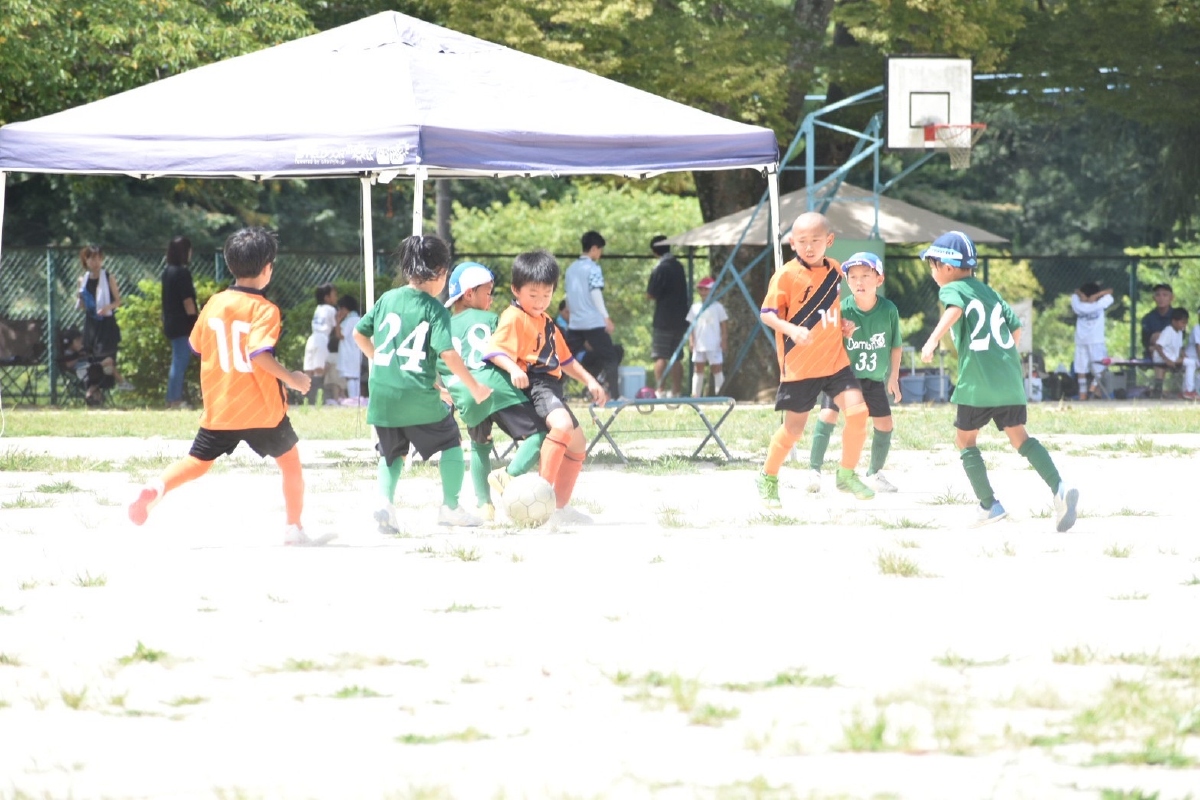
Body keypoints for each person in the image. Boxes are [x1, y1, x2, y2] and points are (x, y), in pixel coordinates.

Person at [127, 227, 323, 545]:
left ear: (231, 264)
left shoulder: (215, 303)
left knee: (196, 462)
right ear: (268, 268)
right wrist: (293, 379)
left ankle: (157, 488)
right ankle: (293, 528)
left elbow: (196, 345)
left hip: (222, 407)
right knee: (290, 463)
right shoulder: (266, 309)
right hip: (262, 411)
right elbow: (258, 353)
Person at [919, 230, 1078, 531]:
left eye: (932, 265)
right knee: (1020, 437)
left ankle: (988, 504)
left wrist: (932, 341)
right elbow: (1015, 329)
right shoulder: (990, 293)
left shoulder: (952, 289)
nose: (932, 273)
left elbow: (955, 309)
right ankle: (1059, 488)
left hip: (977, 383)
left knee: (965, 440)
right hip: (1009, 380)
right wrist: (1000, 358)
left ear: (948, 267)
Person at [353, 235, 493, 531]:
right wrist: (475, 387)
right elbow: (447, 354)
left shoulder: (387, 299)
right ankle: (450, 508)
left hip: (382, 395)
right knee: (451, 440)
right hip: (416, 396)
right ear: (441, 272)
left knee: (391, 452)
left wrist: (380, 360)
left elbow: (358, 333)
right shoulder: (435, 309)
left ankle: (384, 503)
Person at [756, 212, 876, 508]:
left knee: (859, 413)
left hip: (835, 362)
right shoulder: (786, 275)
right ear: (792, 243)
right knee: (793, 431)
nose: (809, 247)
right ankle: (768, 476)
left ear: (829, 241)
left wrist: (842, 324)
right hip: (801, 366)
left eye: (815, 240)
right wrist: (791, 330)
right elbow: (767, 315)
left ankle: (846, 474)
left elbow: (828, 310)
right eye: (802, 241)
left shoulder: (835, 270)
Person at [485, 249, 607, 526]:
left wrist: (590, 380)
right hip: (536, 383)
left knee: (578, 443)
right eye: (533, 294)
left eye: (547, 294)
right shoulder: (513, 316)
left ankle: (560, 508)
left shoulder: (547, 322)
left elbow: (565, 360)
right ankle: (540, 498)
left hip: (552, 386)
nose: (540, 301)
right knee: (561, 426)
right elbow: (494, 350)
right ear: (516, 290)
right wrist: (514, 368)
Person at [438, 261, 548, 521]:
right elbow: (507, 351)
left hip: (465, 394)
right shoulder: (491, 319)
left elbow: (439, 364)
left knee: (480, 446)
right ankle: (508, 475)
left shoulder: (443, 326)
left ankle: (484, 505)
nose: (491, 299)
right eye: (487, 292)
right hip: (496, 388)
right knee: (539, 434)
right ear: (469, 294)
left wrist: (442, 390)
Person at [806, 252, 903, 494]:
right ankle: (814, 470)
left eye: (866, 276)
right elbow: (821, 339)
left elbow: (895, 345)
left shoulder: (889, 310)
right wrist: (837, 331)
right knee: (828, 415)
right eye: (853, 277)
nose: (859, 282)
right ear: (847, 281)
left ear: (879, 279)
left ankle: (874, 473)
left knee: (885, 424)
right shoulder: (841, 309)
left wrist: (893, 377)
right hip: (841, 377)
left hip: (872, 380)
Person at [564, 230, 622, 399]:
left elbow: (568, 296)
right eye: (600, 249)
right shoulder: (593, 268)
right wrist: (606, 317)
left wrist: (573, 314)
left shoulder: (571, 269)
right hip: (593, 322)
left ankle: (557, 392)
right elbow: (595, 293)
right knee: (611, 357)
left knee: (564, 358)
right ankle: (615, 396)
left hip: (575, 323)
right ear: (594, 248)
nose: (600, 253)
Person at [76, 244, 133, 392]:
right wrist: (80, 297)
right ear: (85, 260)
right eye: (91, 259)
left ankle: (119, 382)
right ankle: (98, 390)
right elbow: (82, 306)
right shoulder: (83, 280)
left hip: (106, 325)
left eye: (98, 259)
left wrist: (107, 307)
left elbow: (118, 301)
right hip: (91, 325)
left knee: (107, 359)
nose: (95, 262)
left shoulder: (108, 277)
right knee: (96, 360)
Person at [646, 235, 689, 397]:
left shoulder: (660, 268)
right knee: (676, 356)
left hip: (663, 318)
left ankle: (660, 390)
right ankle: (676, 391)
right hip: (680, 318)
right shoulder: (679, 266)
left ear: (654, 251)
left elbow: (651, 293)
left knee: (660, 356)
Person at [161, 235, 198, 408]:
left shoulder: (167, 272)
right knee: (180, 360)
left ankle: (174, 397)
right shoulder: (182, 273)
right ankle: (174, 398)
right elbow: (188, 301)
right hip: (182, 324)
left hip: (170, 321)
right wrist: (194, 321)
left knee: (178, 359)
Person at [1071, 281, 1115, 401]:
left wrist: (1081, 294)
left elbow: (1074, 294)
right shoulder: (1099, 304)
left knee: (1081, 368)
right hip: (1096, 340)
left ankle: (1082, 393)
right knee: (1099, 367)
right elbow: (1110, 295)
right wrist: (1097, 296)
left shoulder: (1077, 305)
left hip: (1081, 341)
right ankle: (1093, 388)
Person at [687, 276, 728, 397]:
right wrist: (691, 340)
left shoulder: (718, 307)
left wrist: (724, 339)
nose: (703, 292)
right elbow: (691, 325)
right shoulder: (695, 307)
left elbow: (724, 324)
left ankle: (720, 395)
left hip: (714, 343)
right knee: (698, 368)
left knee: (716, 368)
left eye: (706, 289)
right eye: (701, 289)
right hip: (699, 343)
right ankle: (695, 395)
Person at [302, 283, 338, 406]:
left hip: (312, 338)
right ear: (327, 297)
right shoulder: (332, 309)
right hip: (322, 339)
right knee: (319, 369)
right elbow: (336, 329)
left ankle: (306, 398)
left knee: (309, 369)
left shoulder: (318, 308)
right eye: (334, 295)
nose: (336, 297)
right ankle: (317, 398)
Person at [1150, 307, 1188, 398]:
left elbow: (1180, 348)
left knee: (1189, 361)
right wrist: (1166, 360)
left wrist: (1184, 356)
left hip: (1171, 356)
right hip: (1162, 357)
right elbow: (1158, 346)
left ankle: (1158, 391)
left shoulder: (1180, 332)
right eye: (1182, 322)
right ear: (1174, 321)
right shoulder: (1168, 331)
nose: (1184, 325)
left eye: (1186, 323)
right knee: (1191, 363)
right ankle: (1188, 390)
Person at [336, 295, 363, 403]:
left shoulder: (349, 320)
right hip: (357, 352)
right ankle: (357, 399)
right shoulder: (358, 318)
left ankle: (353, 399)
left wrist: (337, 321)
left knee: (350, 377)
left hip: (348, 353)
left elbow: (340, 335)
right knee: (355, 377)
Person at [1141, 283, 1174, 362]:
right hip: (1152, 353)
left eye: (1165, 295)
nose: (1161, 298)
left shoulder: (1177, 316)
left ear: (1171, 298)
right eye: (1158, 295)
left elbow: (1180, 338)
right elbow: (1146, 342)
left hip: (1172, 352)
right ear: (1153, 298)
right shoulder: (1148, 318)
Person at [1184, 311, 1200, 401]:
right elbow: (1198, 347)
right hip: (1191, 357)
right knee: (1192, 363)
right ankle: (1189, 391)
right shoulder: (1197, 328)